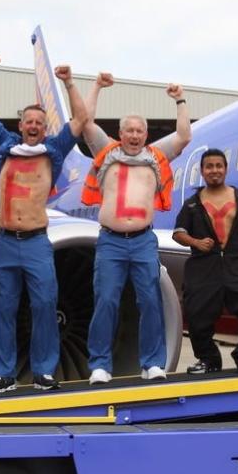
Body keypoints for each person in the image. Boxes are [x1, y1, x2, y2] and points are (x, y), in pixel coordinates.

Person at [0, 54, 89, 393]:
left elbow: (81, 119)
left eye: (40, 122)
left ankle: (44, 371)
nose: (35, 126)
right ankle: (3, 373)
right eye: (29, 121)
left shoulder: (54, 150)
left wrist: (68, 82)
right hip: (6, 240)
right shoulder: (5, 146)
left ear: (45, 127)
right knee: (1, 307)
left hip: (38, 240)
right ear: (21, 124)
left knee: (44, 303)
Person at [80, 74, 192, 384]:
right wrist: (97, 87)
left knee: (150, 300)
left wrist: (180, 99)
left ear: (146, 134)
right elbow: (85, 121)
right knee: (106, 301)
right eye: (129, 130)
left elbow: (184, 136)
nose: (134, 135)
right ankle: (100, 365)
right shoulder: (107, 152)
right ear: (120, 133)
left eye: (139, 130)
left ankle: (152, 363)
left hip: (143, 239)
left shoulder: (155, 156)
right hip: (111, 241)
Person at [173, 149, 238, 375]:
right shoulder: (193, 203)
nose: (214, 170)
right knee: (196, 312)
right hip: (203, 265)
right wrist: (196, 242)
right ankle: (208, 359)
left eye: (219, 166)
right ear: (203, 171)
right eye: (209, 166)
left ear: (225, 169)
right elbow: (178, 232)